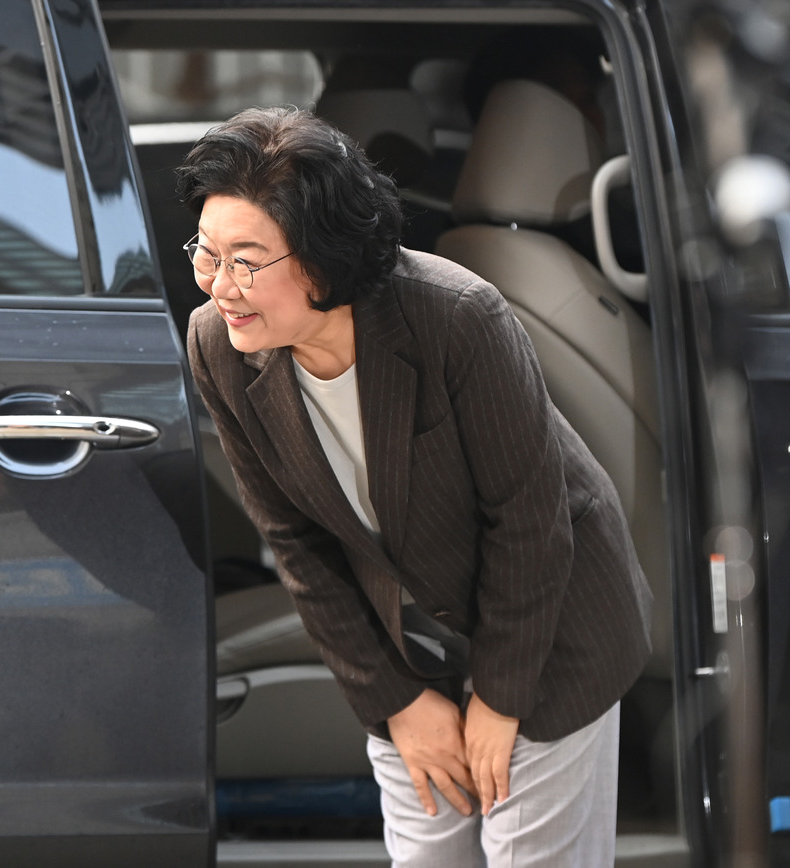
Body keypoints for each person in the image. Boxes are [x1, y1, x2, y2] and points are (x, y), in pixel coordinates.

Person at [177, 105, 652, 866]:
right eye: (207, 252)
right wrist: (395, 700)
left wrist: (499, 700)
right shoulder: (219, 345)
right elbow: (295, 543)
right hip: (412, 643)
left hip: (549, 628)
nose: (220, 286)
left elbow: (530, 522)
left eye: (246, 261)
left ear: (323, 259)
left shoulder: (458, 317)